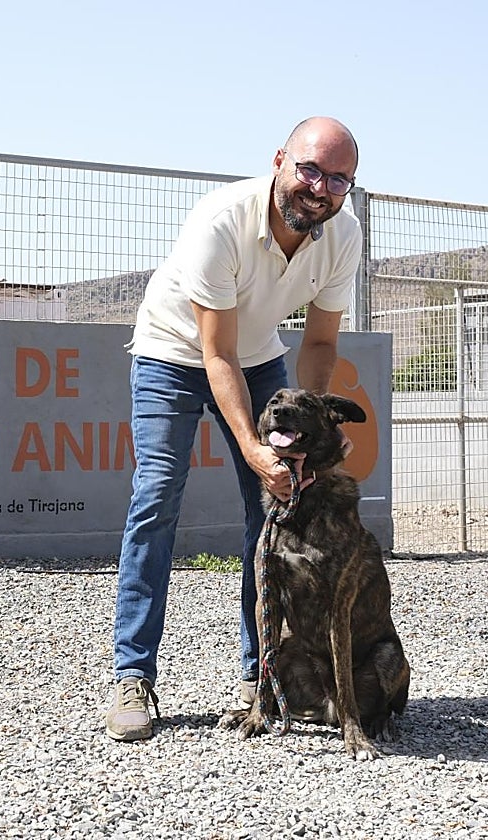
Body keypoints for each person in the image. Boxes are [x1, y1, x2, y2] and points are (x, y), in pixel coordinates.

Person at [105, 116, 363, 741]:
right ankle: (132, 675)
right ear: (279, 160)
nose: (321, 187)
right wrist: (251, 446)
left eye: (338, 179)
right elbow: (214, 354)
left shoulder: (343, 234)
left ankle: (260, 676)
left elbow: (321, 343)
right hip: (174, 352)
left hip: (256, 357)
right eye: (309, 168)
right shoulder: (221, 220)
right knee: (158, 494)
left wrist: (313, 423)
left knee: (272, 506)